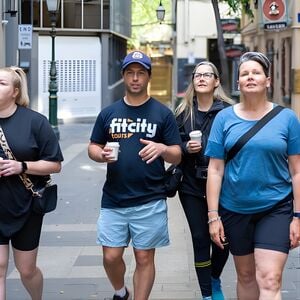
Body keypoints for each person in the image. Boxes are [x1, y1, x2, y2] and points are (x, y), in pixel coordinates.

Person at [205, 51, 300, 299]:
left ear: (267, 80)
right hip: (234, 209)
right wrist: (213, 216)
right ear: (238, 83)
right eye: (244, 73)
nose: (250, 77)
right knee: (246, 276)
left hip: (275, 207)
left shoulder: (287, 118)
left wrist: (298, 216)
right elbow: (215, 170)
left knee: (269, 278)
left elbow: (297, 170)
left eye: (256, 72)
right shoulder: (224, 119)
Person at [88, 50, 182, 300]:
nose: (135, 78)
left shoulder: (163, 114)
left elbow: (177, 154)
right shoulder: (108, 113)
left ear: (148, 77)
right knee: (110, 256)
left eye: (141, 73)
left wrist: (162, 148)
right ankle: (121, 291)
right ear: (123, 77)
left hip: (150, 198)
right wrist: (101, 155)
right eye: (130, 73)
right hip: (114, 199)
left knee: (143, 256)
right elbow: (93, 146)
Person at [0, 66, 63, 300]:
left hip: (25, 205)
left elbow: (55, 164)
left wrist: (22, 166)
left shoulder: (35, 122)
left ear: (15, 92)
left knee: (26, 270)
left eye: (2, 83)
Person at [175, 61, 233, 300]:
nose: (200, 78)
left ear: (216, 81)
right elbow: (171, 146)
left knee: (223, 240)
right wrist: (186, 147)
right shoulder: (182, 112)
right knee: (200, 239)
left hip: (223, 185)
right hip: (190, 185)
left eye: (207, 75)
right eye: (197, 75)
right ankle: (208, 295)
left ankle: (214, 276)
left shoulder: (229, 112)